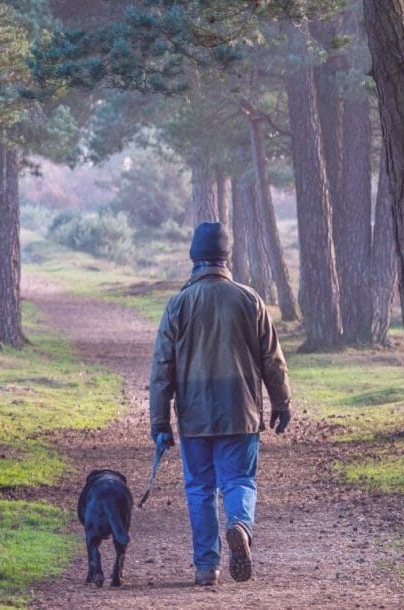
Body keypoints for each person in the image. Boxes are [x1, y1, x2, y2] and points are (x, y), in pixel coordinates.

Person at [149, 221, 292, 586]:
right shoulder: (250, 300)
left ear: (194, 258)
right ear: (227, 258)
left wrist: (160, 422)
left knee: (199, 488)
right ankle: (240, 525)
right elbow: (272, 360)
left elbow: (162, 369)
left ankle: (206, 567)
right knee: (239, 480)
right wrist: (281, 402)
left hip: (195, 415)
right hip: (241, 412)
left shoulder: (178, 304)